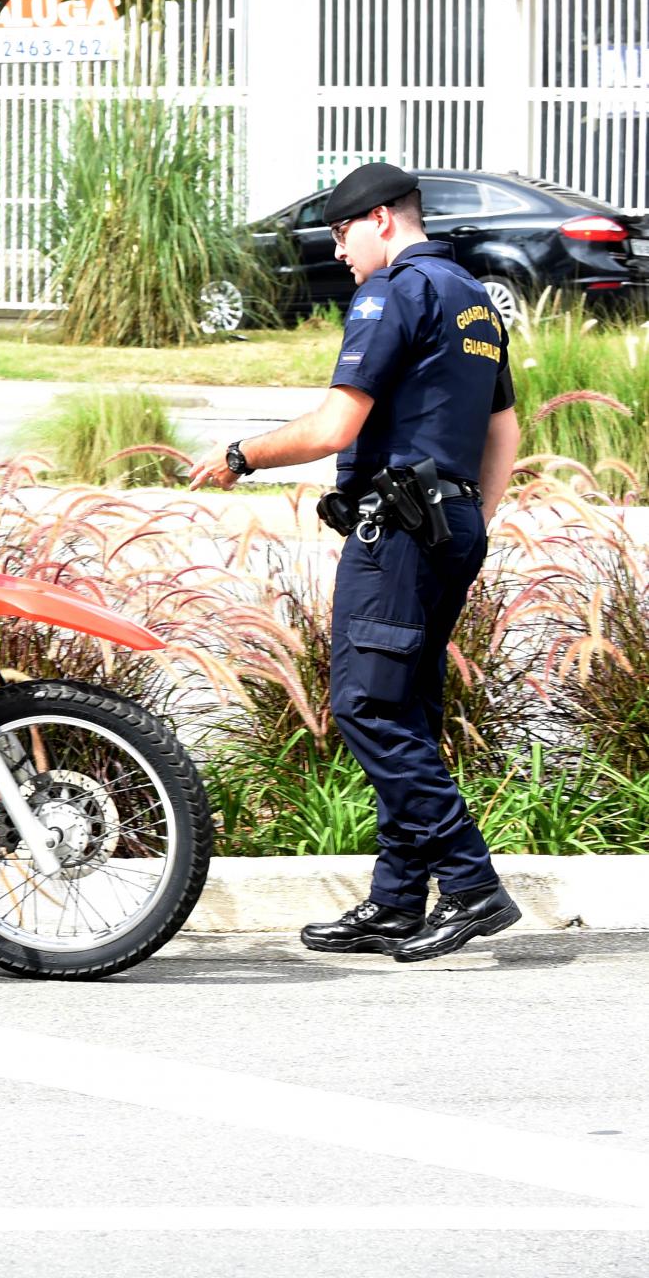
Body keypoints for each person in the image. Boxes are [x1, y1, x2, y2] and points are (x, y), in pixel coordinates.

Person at [189, 161, 522, 964]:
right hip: (450, 529)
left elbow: (337, 425)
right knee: (406, 710)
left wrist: (243, 453)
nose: (338, 252)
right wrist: (469, 521)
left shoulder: (393, 292)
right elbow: (504, 430)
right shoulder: (473, 297)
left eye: (340, 233)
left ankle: (471, 884)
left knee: (367, 705)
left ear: (379, 220)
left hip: (401, 534)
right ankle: (398, 901)